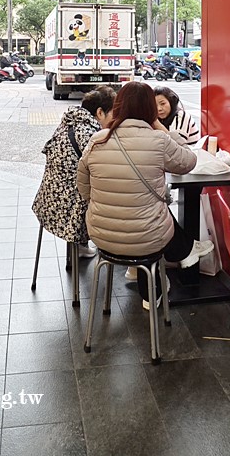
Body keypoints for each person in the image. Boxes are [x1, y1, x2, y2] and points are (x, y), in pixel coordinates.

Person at [76, 82, 214, 310]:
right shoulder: (159, 140)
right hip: (148, 237)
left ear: (118, 106)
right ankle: (173, 266)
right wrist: (160, 126)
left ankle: (179, 258)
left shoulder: (97, 140)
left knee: (148, 214)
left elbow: (83, 187)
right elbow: (189, 161)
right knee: (152, 220)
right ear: (149, 110)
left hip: (101, 235)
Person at [32, 86, 116, 260]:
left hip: (48, 203)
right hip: (70, 211)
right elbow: (106, 172)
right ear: (100, 113)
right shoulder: (90, 134)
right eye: (113, 114)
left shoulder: (70, 123)